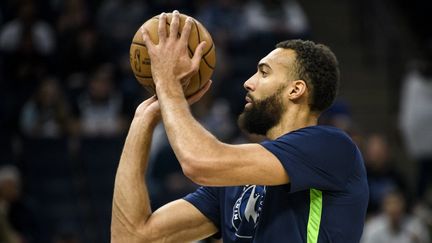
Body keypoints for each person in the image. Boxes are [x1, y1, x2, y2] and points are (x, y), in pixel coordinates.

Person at [111, 11, 369, 243]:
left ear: (296, 89)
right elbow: (132, 237)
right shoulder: (234, 181)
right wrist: (143, 120)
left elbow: (198, 163)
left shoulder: (331, 147)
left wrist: (169, 85)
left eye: (264, 73)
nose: (248, 82)